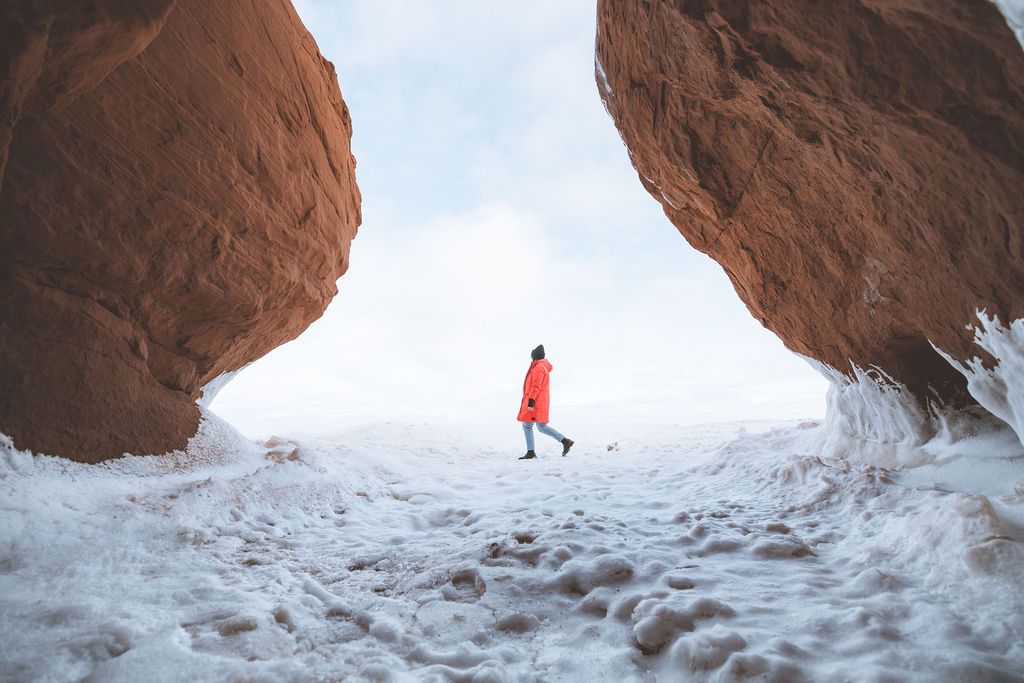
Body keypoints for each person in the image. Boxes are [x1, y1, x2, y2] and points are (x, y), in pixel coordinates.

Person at [517, 344, 573, 460]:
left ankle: (532, 452)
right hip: (539, 401)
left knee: (529, 426)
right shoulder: (540, 366)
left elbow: (535, 385)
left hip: (536, 401)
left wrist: (531, 401)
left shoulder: (538, 368)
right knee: (538, 426)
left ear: (535, 356)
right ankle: (564, 441)